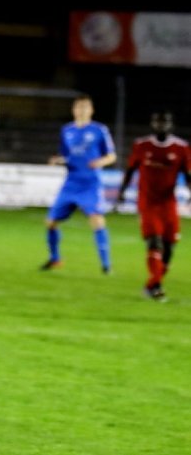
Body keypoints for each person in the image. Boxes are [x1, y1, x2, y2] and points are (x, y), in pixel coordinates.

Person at [117, 110, 191, 301]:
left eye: (165, 122)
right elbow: (131, 169)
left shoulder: (181, 148)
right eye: (158, 122)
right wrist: (122, 192)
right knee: (154, 242)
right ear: (152, 124)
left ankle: (152, 284)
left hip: (168, 204)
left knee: (169, 248)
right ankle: (156, 286)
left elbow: (188, 174)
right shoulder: (141, 145)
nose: (161, 125)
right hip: (147, 202)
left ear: (171, 125)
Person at [41, 94, 116, 274]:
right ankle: (55, 259)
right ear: (73, 110)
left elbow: (112, 156)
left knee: (97, 220)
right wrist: (58, 160)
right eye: (78, 107)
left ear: (91, 110)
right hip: (71, 183)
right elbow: (66, 155)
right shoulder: (67, 130)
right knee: (50, 222)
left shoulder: (99, 130)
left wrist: (100, 162)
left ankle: (106, 266)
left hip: (90, 183)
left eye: (85, 107)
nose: (81, 110)